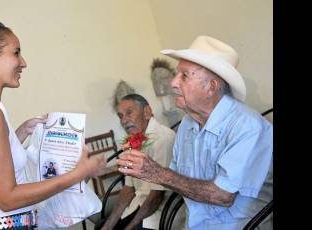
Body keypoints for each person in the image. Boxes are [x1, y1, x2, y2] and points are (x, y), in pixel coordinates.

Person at [0, 19, 106, 230]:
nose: (23, 62)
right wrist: (76, 175)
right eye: (16, 53)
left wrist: (21, 132)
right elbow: (7, 199)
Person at [117, 35, 273, 229]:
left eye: (184, 75)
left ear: (211, 87)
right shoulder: (187, 124)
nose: (173, 82)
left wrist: (157, 173)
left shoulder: (248, 127)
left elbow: (223, 196)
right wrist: (145, 171)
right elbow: (175, 176)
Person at [101, 94, 175, 230]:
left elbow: (157, 196)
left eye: (129, 112)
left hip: (161, 211)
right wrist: (108, 226)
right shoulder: (131, 142)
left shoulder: (163, 139)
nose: (124, 120)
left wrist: (130, 227)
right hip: (140, 204)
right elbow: (129, 188)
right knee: (102, 226)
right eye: (120, 116)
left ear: (146, 112)